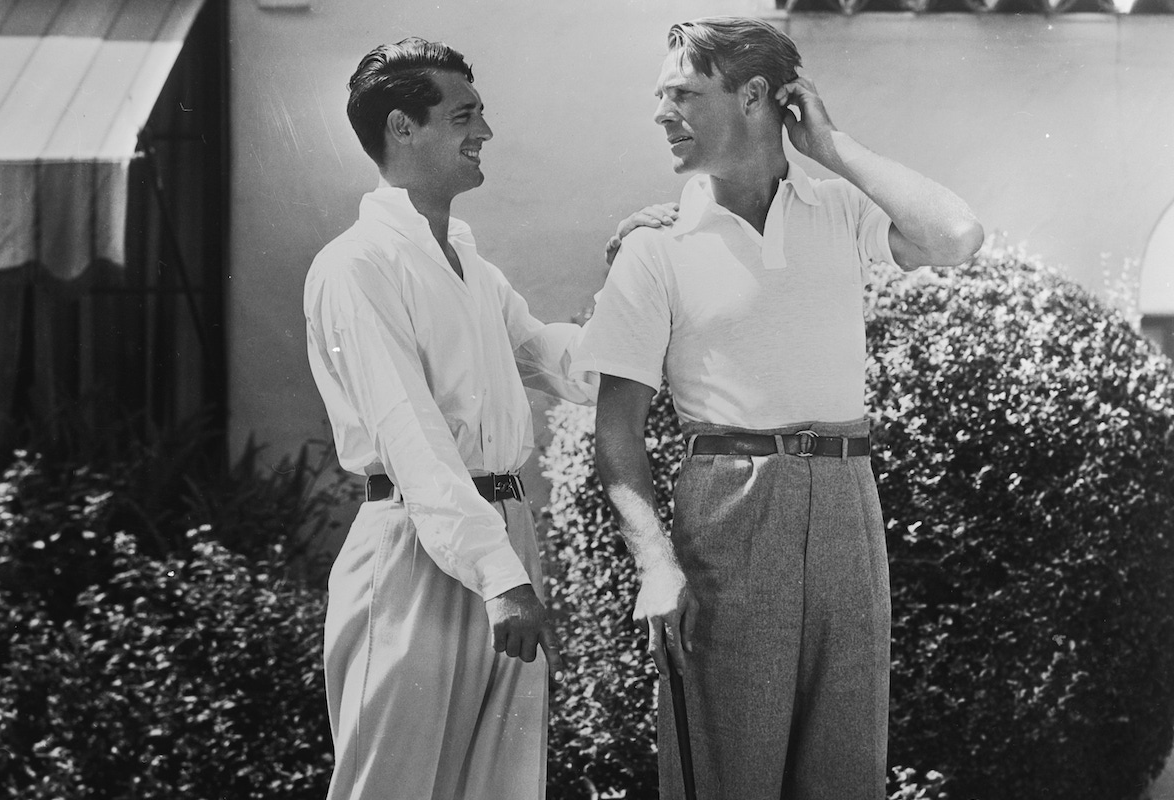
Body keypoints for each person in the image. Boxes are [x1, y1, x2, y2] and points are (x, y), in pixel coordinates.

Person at [574, 17, 984, 800]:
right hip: (730, 506)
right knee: (730, 768)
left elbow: (958, 236)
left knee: (843, 767)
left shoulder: (839, 210)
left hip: (845, 500)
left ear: (757, 95)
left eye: (684, 95)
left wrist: (830, 147)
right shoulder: (655, 246)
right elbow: (615, 431)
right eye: (661, 96)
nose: (663, 114)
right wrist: (655, 563)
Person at [303, 37, 673, 800]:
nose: (486, 133)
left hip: (500, 539)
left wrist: (631, 275)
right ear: (403, 129)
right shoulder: (358, 265)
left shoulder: (469, 262)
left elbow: (567, 365)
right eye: (464, 114)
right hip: (415, 550)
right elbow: (411, 438)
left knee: (499, 787)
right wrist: (499, 578)